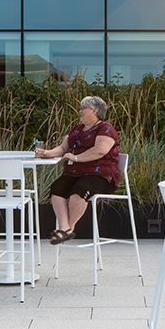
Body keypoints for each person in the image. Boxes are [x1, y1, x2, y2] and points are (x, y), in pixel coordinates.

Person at [35, 96, 120, 244]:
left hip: (100, 174)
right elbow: (63, 148)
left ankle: (69, 228)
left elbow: (100, 150)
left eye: (83, 108)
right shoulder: (77, 128)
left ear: (95, 111)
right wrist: (47, 153)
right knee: (57, 188)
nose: (80, 111)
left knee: (80, 191)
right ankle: (65, 228)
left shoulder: (105, 128)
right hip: (76, 173)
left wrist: (76, 158)